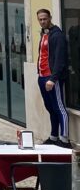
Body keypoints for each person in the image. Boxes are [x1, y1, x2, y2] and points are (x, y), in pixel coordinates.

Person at [36, 8, 70, 146]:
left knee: (59, 108)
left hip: (52, 77)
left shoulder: (57, 35)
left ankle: (65, 139)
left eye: (45, 18)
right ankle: (54, 136)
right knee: (50, 107)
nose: (43, 21)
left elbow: (60, 60)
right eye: (40, 19)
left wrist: (53, 78)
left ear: (50, 18)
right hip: (42, 76)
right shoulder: (44, 34)